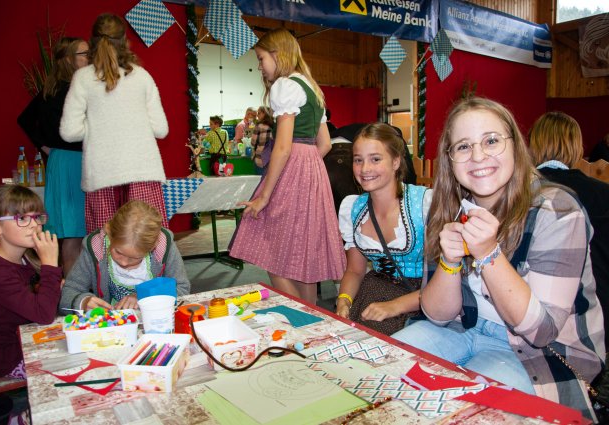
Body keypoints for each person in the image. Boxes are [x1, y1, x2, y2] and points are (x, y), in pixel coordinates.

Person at [393, 97, 605, 421]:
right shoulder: (448, 207)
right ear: (450, 159)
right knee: (385, 368)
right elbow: (437, 315)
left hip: (531, 351)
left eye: (491, 140)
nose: (478, 156)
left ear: (515, 146)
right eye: (463, 146)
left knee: (460, 411)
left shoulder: (557, 211)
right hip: (461, 328)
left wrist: (489, 253)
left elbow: (541, 332)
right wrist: (450, 261)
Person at [229, 28, 346, 304]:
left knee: (267, 244)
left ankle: (302, 314)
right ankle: (312, 316)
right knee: (303, 252)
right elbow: (325, 143)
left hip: (292, 164)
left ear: (278, 54)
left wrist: (265, 195)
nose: (259, 67)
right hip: (312, 167)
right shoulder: (311, 87)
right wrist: (307, 166)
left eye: (260, 59)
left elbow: (282, 147)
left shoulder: (285, 86)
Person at [60, 13, 169, 233]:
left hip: (102, 175)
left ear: (93, 42)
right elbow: (161, 129)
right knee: (147, 242)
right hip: (143, 172)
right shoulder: (142, 76)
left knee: (106, 247)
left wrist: (98, 128)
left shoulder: (82, 78)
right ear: (124, 41)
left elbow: (69, 132)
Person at [336, 123, 431, 335]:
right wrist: (344, 300)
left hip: (423, 296)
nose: (364, 169)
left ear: (396, 161)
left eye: (375, 159)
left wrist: (394, 306)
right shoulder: (354, 208)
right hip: (375, 291)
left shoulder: (425, 205)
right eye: (358, 160)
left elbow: (444, 284)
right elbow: (355, 270)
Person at [529, 111, 609, 350]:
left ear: (532, 145)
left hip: (535, 309)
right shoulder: (603, 194)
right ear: (576, 146)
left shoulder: (521, 194)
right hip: (595, 308)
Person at [17, 37, 89, 277]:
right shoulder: (72, 88)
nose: (89, 57)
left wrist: (45, 146)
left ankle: (72, 290)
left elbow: (24, 120)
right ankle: (73, 294)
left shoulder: (52, 87)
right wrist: (44, 145)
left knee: (72, 233)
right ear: (69, 59)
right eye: (84, 53)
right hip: (73, 163)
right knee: (76, 234)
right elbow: (25, 120)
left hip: (61, 162)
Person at [0, 185, 61, 378]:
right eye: (22, 218)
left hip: (28, 340)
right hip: (7, 358)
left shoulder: (24, 259)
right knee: (68, 365)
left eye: (37, 217)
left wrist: (52, 284)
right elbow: (44, 314)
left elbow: (40, 304)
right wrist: (50, 266)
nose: (34, 225)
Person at [60, 200, 190, 313]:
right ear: (109, 233)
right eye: (118, 252)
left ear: (153, 247)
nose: (124, 263)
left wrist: (144, 296)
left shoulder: (163, 247)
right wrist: (83, 302)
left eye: (134, 258)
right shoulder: (96, 248)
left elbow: (182, 289)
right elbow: (69, 291)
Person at [251, 105, 274, 174]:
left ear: (264, 114)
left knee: (260, 181)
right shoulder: (274, 125)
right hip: (272, 159)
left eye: (259, 113)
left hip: (260, 159)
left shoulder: (259, 126)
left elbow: (253, 143)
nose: (257, 115)